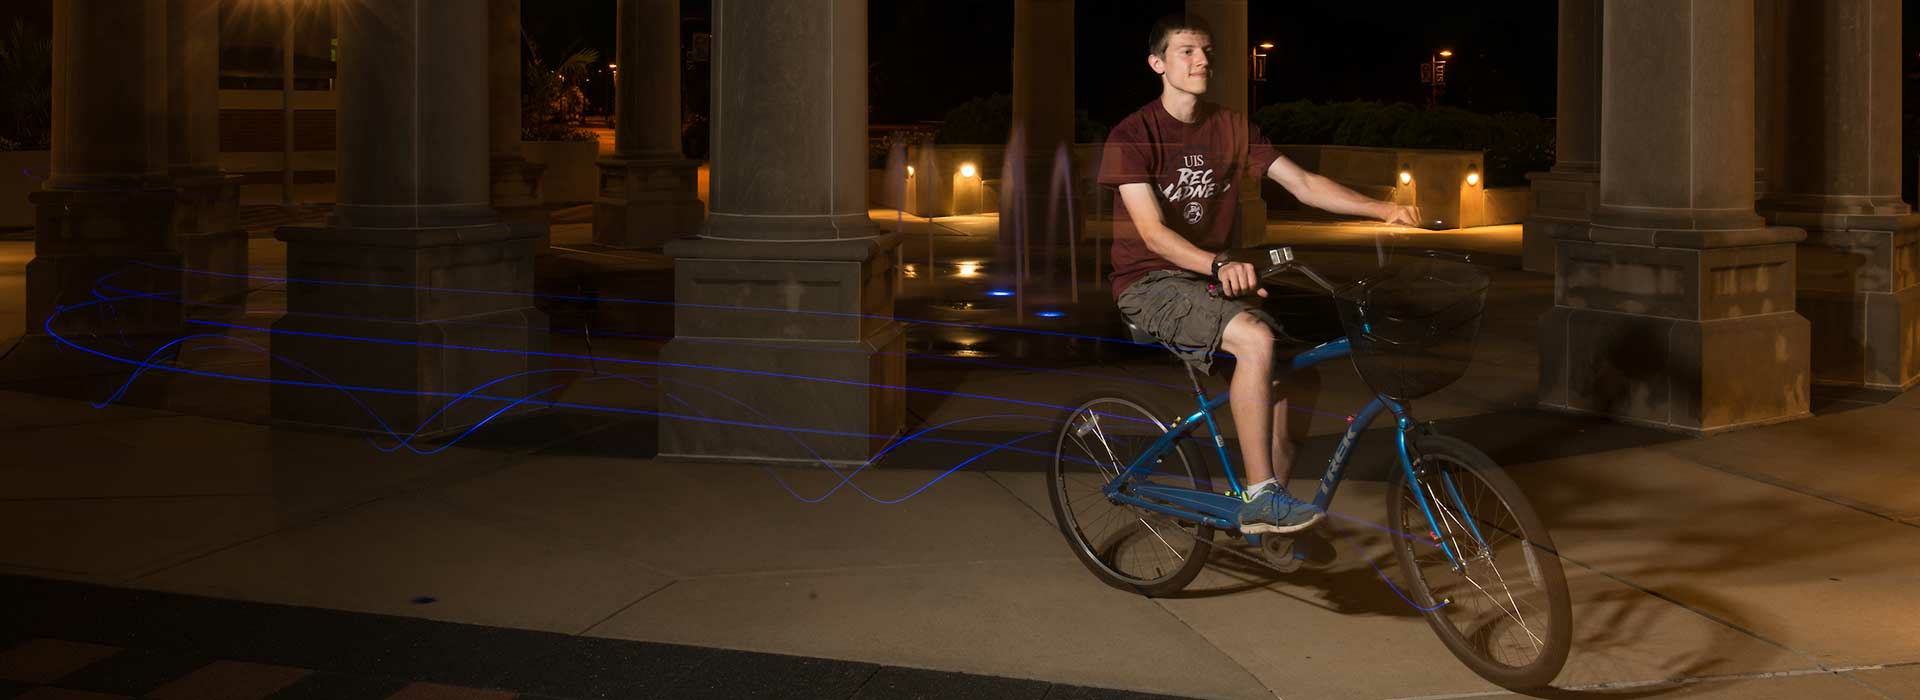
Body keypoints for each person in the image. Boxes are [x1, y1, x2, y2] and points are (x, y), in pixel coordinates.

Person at [1097, 13, 1420, 535]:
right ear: (1158, 63)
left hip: (1211, 279)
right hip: (1150, 282)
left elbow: (1304, 184)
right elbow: (1153, 235)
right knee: (1253, 336)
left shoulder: (1231, 127)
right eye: (1187, 52)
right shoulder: (1132, 135)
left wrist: (1382, 209)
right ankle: (1261, 494)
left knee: (1297, 379)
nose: (1202, 60)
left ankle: (1275, 522)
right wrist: (1220, 263)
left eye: (1206, 51)